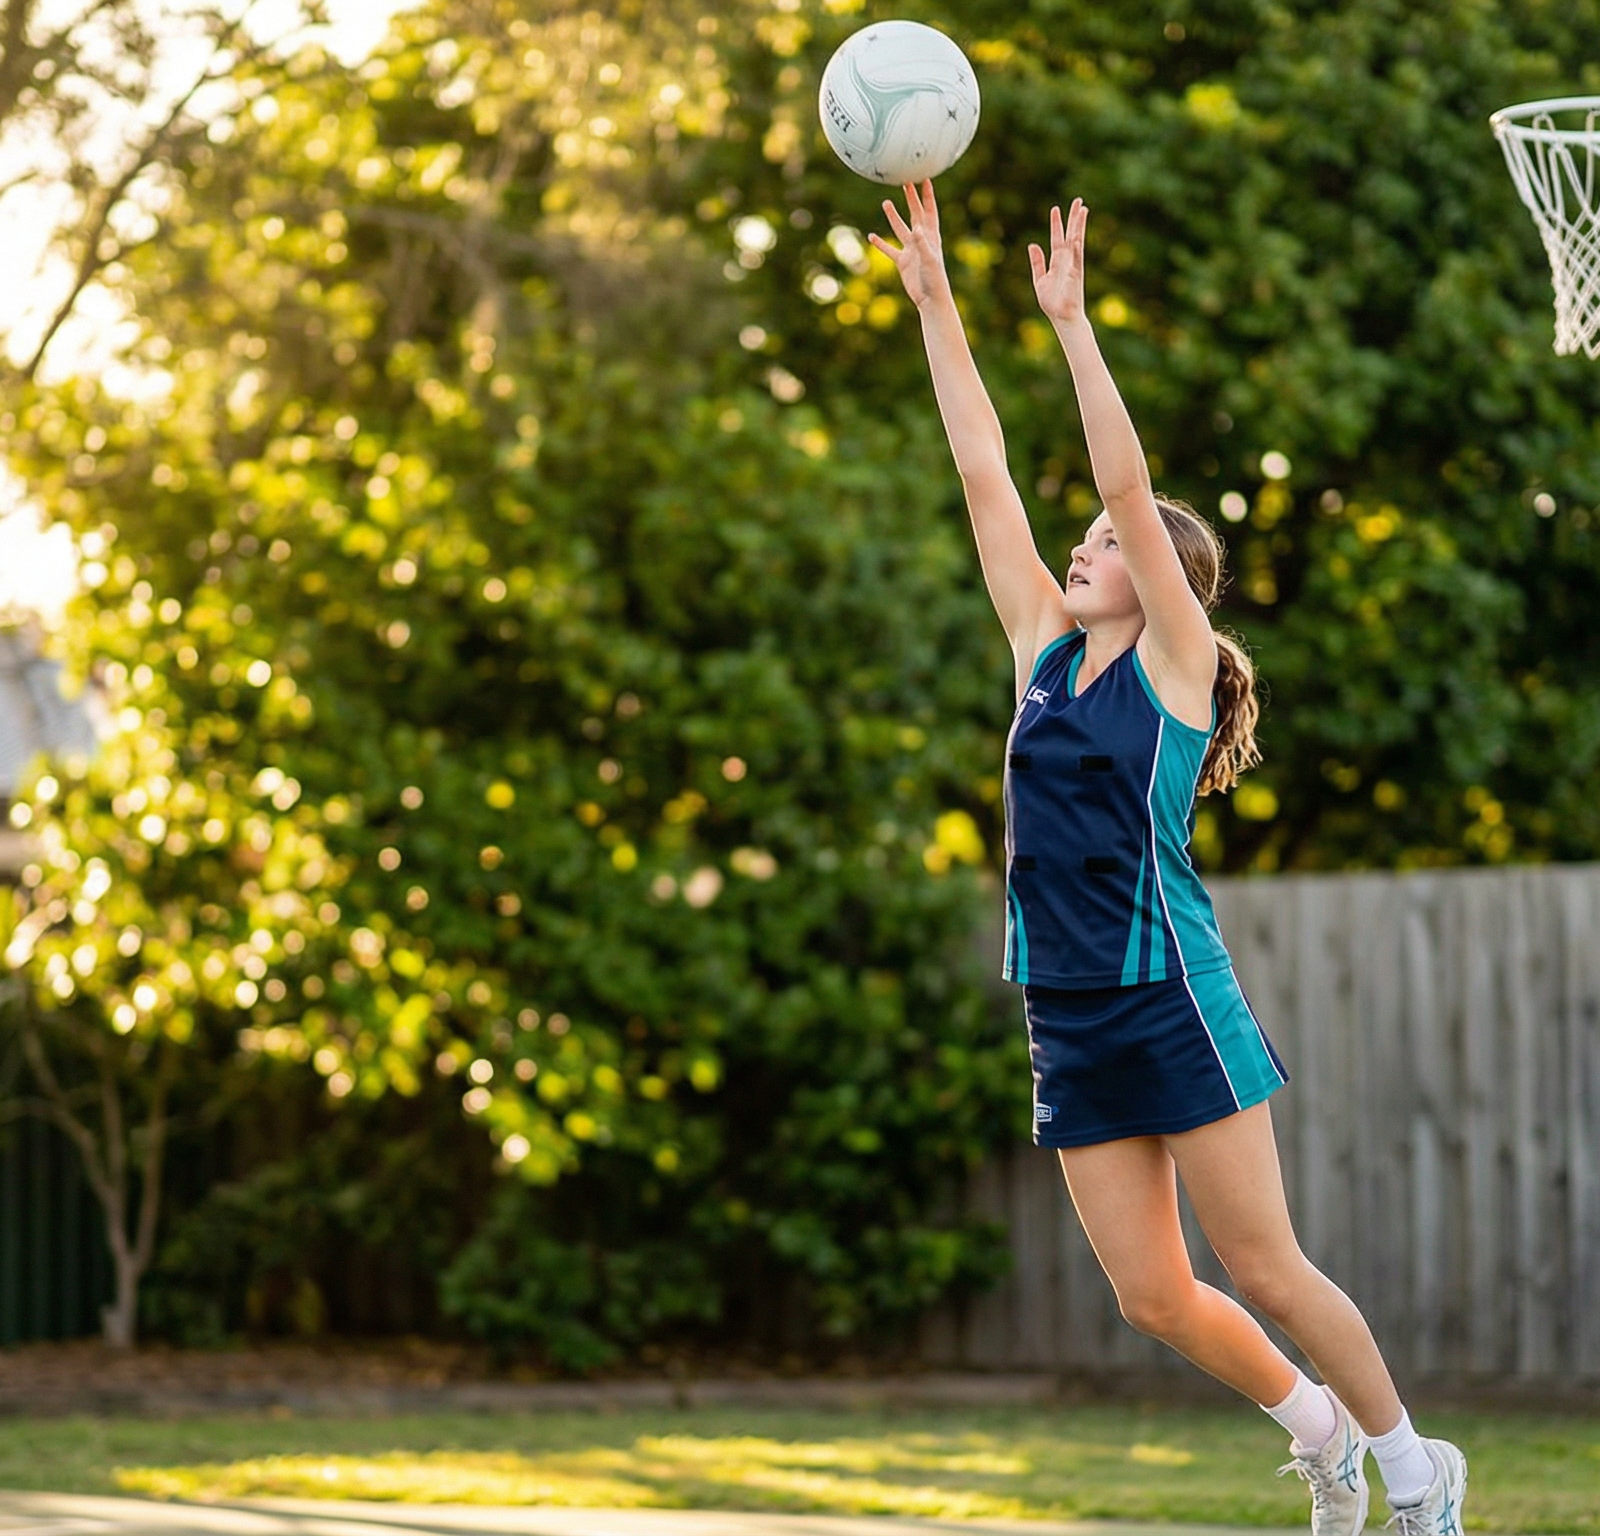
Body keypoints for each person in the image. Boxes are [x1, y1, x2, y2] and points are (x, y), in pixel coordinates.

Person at [869, 181, 1467, 1536]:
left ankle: (1420, 1477)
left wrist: (1074, 328)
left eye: (1102, 547)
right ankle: (1318, 1435)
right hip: (1069, 1006)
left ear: (1163, 581)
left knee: (1264, 1263)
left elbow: (1126, 486)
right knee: (1149, 1294)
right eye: (1075, 545)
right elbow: (981, 471)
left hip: (1172, 991)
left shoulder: (1178, 669)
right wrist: (939, 306)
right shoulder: (1042, 653)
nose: (1077, 551)